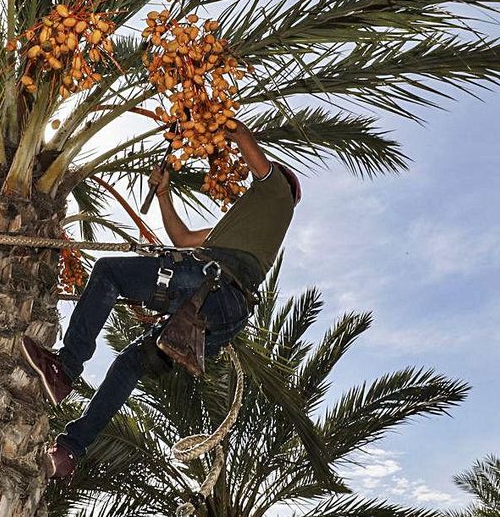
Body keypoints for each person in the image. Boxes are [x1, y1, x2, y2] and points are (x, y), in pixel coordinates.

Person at [20, 118, 302, 479]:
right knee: (129, 365)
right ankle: (70, 451)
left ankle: (67, 366)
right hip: (222, 310)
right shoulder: (242, 229)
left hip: (209, 284)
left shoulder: (277, 190)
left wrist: (207, 113)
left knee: (109, 273)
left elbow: (240, 133)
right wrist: (165, 193)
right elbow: (182, 238)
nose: (250, 181)